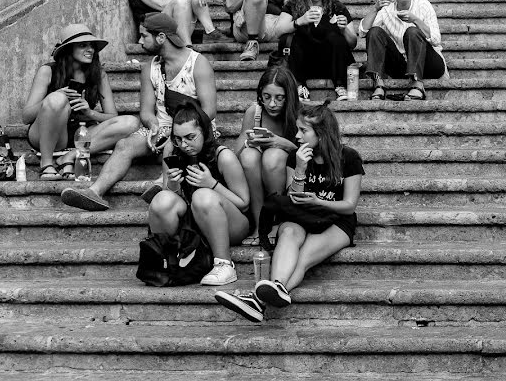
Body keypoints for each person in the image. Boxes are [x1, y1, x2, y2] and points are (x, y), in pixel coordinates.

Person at [213, 101, 363, 323]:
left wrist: (319, 201)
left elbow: (349, 205)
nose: (297, 136)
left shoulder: (348, 157)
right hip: (303, 216)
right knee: (289, 233)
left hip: (337, 220)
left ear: (321, 134)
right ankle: (271, 293)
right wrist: (301, 169)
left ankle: (258, 301)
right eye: (297, 130)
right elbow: (293, 198)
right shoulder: (297, 157)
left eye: (303, 131)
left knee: (302, 259)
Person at [61, 12, 216, 211]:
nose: (140, 41)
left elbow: (209, 111)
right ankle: (95, 193)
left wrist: (176, 133)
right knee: (125, 144)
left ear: (161, 37)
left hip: (195, 130)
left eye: (144, 36)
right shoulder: (149, 68)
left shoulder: (198, 63)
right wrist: (152, 125)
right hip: (160, 129)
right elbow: (146, 111)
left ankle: (163, 184)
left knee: (171, 144)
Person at [148, 103, 249, 286]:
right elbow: (170, 203)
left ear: (205, 131)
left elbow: (244, 203)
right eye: (177, 139)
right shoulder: (173, 153)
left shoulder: (223, 156)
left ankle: (225, 265)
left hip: (232, 223)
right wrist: (172, 184)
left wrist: (212, 184)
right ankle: (166, 261)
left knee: (203, 195)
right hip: (194, 223)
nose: (184, 144)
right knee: (161, 200)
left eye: (190, 137)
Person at [23, 24, 139, 179]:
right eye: (83, 45)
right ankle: (46, 164)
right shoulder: (48, 71)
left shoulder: (99, 75)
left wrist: (90, 113)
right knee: (57, 99)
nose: (90, 49)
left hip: (82, 135)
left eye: (92, 46)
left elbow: (113, 116)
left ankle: (69, 157)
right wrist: (54, 97)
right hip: (50, 134)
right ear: (68, 49)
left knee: (131, 123)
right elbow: (26, 117)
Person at [234, 66, 302, 244]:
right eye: (267, 97)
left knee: (273, 156)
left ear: (290, 96)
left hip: (286, 177)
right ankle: (259, 225)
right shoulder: (254, 113)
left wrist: (281, 143)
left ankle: (276, 223)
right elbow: (237, 153)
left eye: (279, 98)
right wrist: (250, 142)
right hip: (255, 179)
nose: (272, 104)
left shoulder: (300, 114)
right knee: (248, 157)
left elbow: (312, 153)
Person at [359, 0, 446, 100]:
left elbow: (436, 40)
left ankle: (418, 85)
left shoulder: (423, 5)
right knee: (375, 31)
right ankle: (379, 84)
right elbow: (363, 32)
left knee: (412, 31)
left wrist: (415, 20)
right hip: (401, 67)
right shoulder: (386, 10)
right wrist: (375, 9)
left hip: (429, 64)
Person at [277, 0, 357, 100]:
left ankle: (340, 85)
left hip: (330, 63)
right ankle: (299, 85)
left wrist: (344, 30)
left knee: (336, 37)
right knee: (291, 37)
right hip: (302, 63)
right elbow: (278, 31)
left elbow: (352, 43)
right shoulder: (293, 5)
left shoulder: (336, 7)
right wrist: (299, 21)